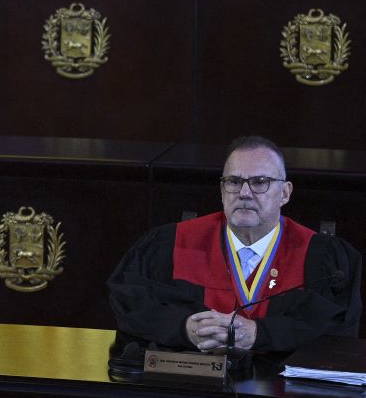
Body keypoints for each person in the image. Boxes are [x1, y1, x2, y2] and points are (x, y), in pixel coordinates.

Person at [108, 136, 361, 353]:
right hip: (191, 388)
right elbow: (129, 303)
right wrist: (183, 328)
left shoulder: (322, 257)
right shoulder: (170, 243)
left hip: (284, 394)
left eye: (260, 182)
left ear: (284, 193)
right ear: (221, 190)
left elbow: (337, 325)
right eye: (234, 181)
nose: (244, 193)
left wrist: (260, 334)